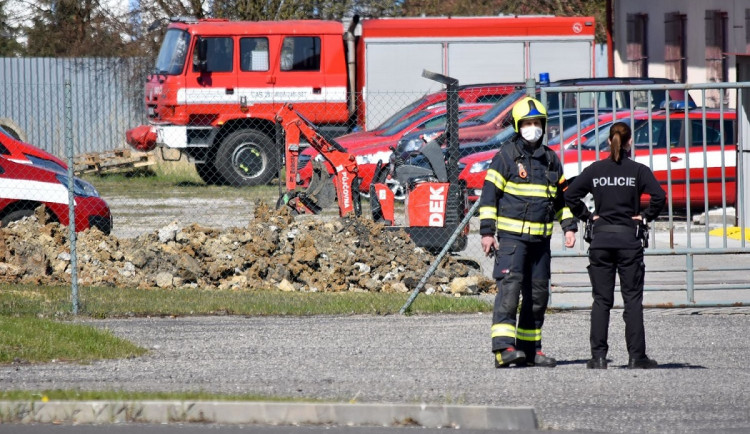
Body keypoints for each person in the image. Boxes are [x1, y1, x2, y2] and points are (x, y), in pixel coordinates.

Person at [479, 96, 577, 368]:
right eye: (527, 123)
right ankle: (503, 349)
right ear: (518, 127)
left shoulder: (551, 160)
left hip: (540, 244)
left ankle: (530, 350)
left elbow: (560, 200)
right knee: (509, 294)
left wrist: (568, 226)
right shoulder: (506, 157)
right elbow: (489, 197)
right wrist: (487, 233)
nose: (532, 127)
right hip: (512, 241)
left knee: (538, 296)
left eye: (537, 123)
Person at [564, 121, 666, 370]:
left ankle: (598, 357)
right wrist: (644, 216)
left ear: (608, 142)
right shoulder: (638, 170)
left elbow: (569, 195)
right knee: (632, 300)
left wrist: (587, 216)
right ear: (630, 142)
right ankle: (636, 357)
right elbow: (660, 196)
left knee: (601, 300)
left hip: (601, 241)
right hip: (628, 241)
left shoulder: (595, 170)